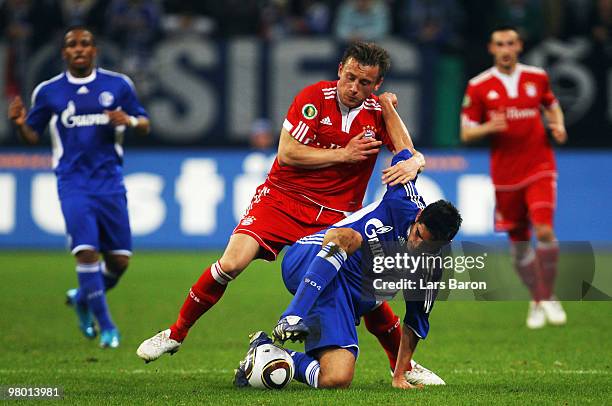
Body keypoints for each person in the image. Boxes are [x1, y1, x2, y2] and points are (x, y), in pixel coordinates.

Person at [137, 42, 426, 367]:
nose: (354, 88)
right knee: (231, 264)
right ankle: (176, 333)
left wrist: (414, 158)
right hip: (282, 200)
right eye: (350, 78)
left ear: (377, 85)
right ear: (340, 70)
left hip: (333, 215)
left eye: (364, 83)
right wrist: (342, 154)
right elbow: (288, 153)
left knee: (363, 290)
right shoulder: (314, 98)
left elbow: (406, 153)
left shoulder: (376, 114)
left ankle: (404, 366)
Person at [234, 149, 462, 389]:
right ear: (419, 217)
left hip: (338, 297)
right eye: (418, 235)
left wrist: (399, 375)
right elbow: (402, 150)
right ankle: (292, 316)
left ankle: (268, 354)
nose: (417, 245)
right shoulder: (403, 200)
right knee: (349, 237)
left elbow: (415, 322)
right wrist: (416, 160)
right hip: (309, 257)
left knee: (336, 379)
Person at [7, 26, 150, 348]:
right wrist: (19, 125)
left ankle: (84, 297)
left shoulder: (117, 85)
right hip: (73, 182)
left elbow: (144, 122)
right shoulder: (49, 92)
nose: (79, 49)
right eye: (72, 44)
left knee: (119, 262)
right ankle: (108, 327)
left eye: (85, 43)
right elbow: (33, 134)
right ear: (64, 52)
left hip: (110, 182)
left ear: (94, 50)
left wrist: (127, 120)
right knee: (86, 251)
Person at [460, 26, 567, 329]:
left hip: (540, 166)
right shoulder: (478, 86)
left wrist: (557, 125)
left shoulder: (537, 77)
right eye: (499, 44)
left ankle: (546, 297)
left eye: (510, 43)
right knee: (519, 245)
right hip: (505, 175)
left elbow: (551, 105)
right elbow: (466, 132)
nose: (505, 49)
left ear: (519, 46)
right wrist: (488, 128)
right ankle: (538, 297)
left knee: (544, 229)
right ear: (491, 49)